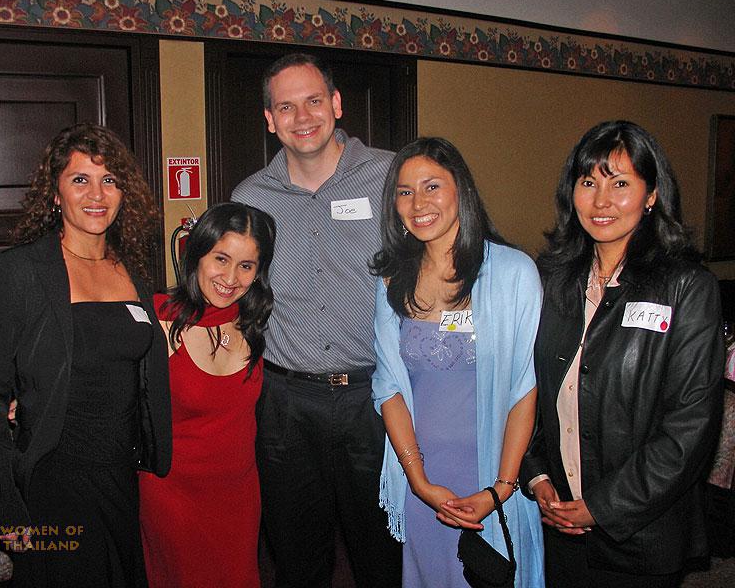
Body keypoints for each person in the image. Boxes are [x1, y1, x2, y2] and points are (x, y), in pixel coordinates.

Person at [521, 120, 725, 587]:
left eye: (620, 184)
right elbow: (527, 389)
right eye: (588, 182)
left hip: (641, 533)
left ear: (651, 195)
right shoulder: (552, 281)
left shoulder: (687, 288)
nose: (601, 201)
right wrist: (536, 475)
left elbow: (690, 427)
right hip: (557, 518)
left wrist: (602, 507)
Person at [0, 123, 171, 587]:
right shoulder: (20, 271)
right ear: (55, 194)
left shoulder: (133, 270)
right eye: (80, 179)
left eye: (109, 180)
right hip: (53, 482)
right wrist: (8, 513)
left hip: (120, 477)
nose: (96, 194)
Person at [231, 53, 402, 587]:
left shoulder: (391, 177)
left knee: (383, 553)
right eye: (286, 107)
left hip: (374, 399)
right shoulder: (250, 198)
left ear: (336, 103)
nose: (302, 117)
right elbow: (230, 287)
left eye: (313, 101)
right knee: (296, 556)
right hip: (286, 404)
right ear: (269, 119)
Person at [371, 137, 546, 587]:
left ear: (461, 190)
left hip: (495, 472)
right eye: (405, 192)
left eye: (432, 186)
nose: (418, 203)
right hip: (423, 474)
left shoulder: (513, 273)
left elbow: (523, 389)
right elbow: (389, 387)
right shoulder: (392, 279)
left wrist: (500, 489)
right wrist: (418, 480)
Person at [139, 202, 275, 588]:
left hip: (239, 497)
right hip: (173, 498)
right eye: (221, 259)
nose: (230, 278)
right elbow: (96, 372)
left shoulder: (253, 321)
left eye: (246, 266)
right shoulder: (156, 318)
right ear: (196, 254)